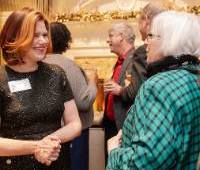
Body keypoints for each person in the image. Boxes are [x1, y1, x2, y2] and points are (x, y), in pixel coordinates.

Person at [107, 11, 200, 170]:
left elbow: (147, 161)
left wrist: (114, 152)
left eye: (150, 36)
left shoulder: (158, 85)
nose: (145, 42)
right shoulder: (193, 77)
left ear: (169, 41)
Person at [0, 8, 81, 170]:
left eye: (45, 35)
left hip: (57, 162)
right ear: (15, 37)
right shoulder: (2, 78)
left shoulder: (56, 74)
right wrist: (38, 147)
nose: (43, 41)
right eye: (35, 36)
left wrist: (48, 142)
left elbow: (75, 124)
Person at [44, 22, 98, 170]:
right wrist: (93, 82)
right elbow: (83, 101)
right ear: (66, 40)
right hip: (72, 133)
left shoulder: (37, 63)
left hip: (48, 132)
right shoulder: (68, 65)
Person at [102, 23, 146, 161]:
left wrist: (120, 90)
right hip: (111, 124)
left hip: (124, 127)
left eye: (111, 36)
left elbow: (139, 92)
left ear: (121, 37)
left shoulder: (136, 59)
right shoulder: (119, 61)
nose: (107, 40)